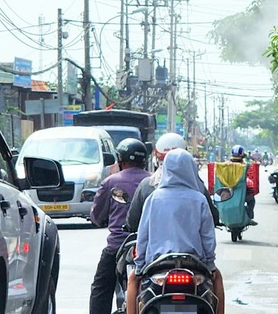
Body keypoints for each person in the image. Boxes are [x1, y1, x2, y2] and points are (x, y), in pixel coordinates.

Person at [126, 148, 225, 314]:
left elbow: (143, 236)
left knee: (132, 281)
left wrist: (140, 266)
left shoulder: (153, 199)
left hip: (157, 264)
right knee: (218, 280)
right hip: (194, 263)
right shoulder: (199, 199)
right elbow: (208, 237)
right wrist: (210, 264)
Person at [89, 138, 152, 314]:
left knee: (101, 288)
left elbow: (97, 215)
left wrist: (100, 220)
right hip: (150, 247)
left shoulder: (110, 182)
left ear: (120, 160)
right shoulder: (154, 181)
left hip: (118, 246)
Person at [125, 133, 220, 231]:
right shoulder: (198, 189)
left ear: (157, 159)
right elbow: (212, 220)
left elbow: (133, 223)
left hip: (155, 245)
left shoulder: (147, 187)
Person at [230, 145, 257, 226]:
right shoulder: (245, 166)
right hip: (243, 193)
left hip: (228, 193)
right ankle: (250, 217)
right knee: (251, 201)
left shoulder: (226, 166)